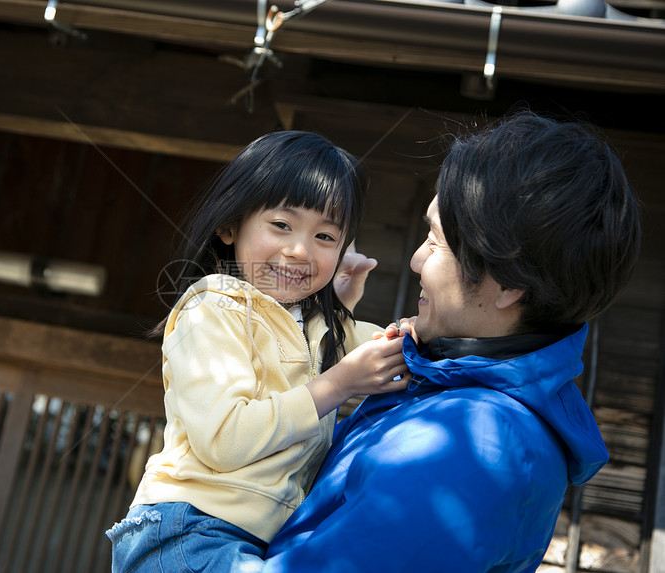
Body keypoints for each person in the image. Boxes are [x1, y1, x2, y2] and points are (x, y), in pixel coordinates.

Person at [261, 111, 642, 572]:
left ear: (507, 284)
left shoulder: (477, 447)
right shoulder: (450, 388)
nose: (418, 260)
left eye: (437, 242)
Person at [106, 131, 410, 571]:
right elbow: (226, 440)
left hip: (253, 539)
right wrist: (339, 383)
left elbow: (398, 357)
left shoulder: (314, 325)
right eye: (282, 225)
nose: (300, 250)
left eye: (325, 237)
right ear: (230, 225)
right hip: (189, 531)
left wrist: (348, 315)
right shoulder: (213, 308)